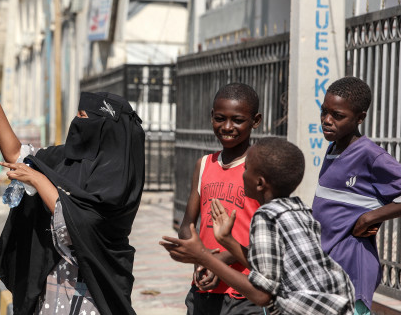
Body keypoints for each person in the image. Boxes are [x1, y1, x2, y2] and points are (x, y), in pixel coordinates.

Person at [0, 63, 145, 315]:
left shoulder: (116, 181)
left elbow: (80, 224)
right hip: (51, 291)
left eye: (84, 116)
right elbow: (18, 154)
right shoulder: (64, 159)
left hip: (94, 295)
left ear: (104, 128)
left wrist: (39, 181)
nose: (77, 121)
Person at [160, 137, 355, 315]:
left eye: (246, 169)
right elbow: (268, 268)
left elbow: (262, 295)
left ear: (259, 183)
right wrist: (226, 240)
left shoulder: (265, 217)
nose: (242, 173)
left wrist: (204, 258)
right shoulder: (299, 209)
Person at [172, 83, 264, 315]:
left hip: (244, 290)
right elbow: (187, 226)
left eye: (238, 120)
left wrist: (215, 262)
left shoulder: (260, 169)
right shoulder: (203, 165)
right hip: (204, 286)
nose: (227, 127)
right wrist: (200, 260)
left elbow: (263, 238)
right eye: (220, 118)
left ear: (255, 121)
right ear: (212, 116)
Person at [312, 77, 401, 315]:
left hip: (352, 267)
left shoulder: (370, 155)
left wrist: (370, 218)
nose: (327, 121)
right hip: (328, 266)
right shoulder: (334, 147)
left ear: (360, 118)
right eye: (324, 112)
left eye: (337, 116)